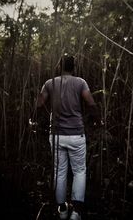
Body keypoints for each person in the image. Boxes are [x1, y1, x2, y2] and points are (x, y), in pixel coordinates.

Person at [37, 55, 99, 220]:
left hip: (57, 136)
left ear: (59, 66)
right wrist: (98, 120)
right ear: (74, 67)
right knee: (79, 171)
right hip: (76, 134)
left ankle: (62, 210)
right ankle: (76, 213)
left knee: (59, 171)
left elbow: (40, 103)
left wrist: (33, 119)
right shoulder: (80, 82)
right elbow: (90, 103)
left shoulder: (50, 83)